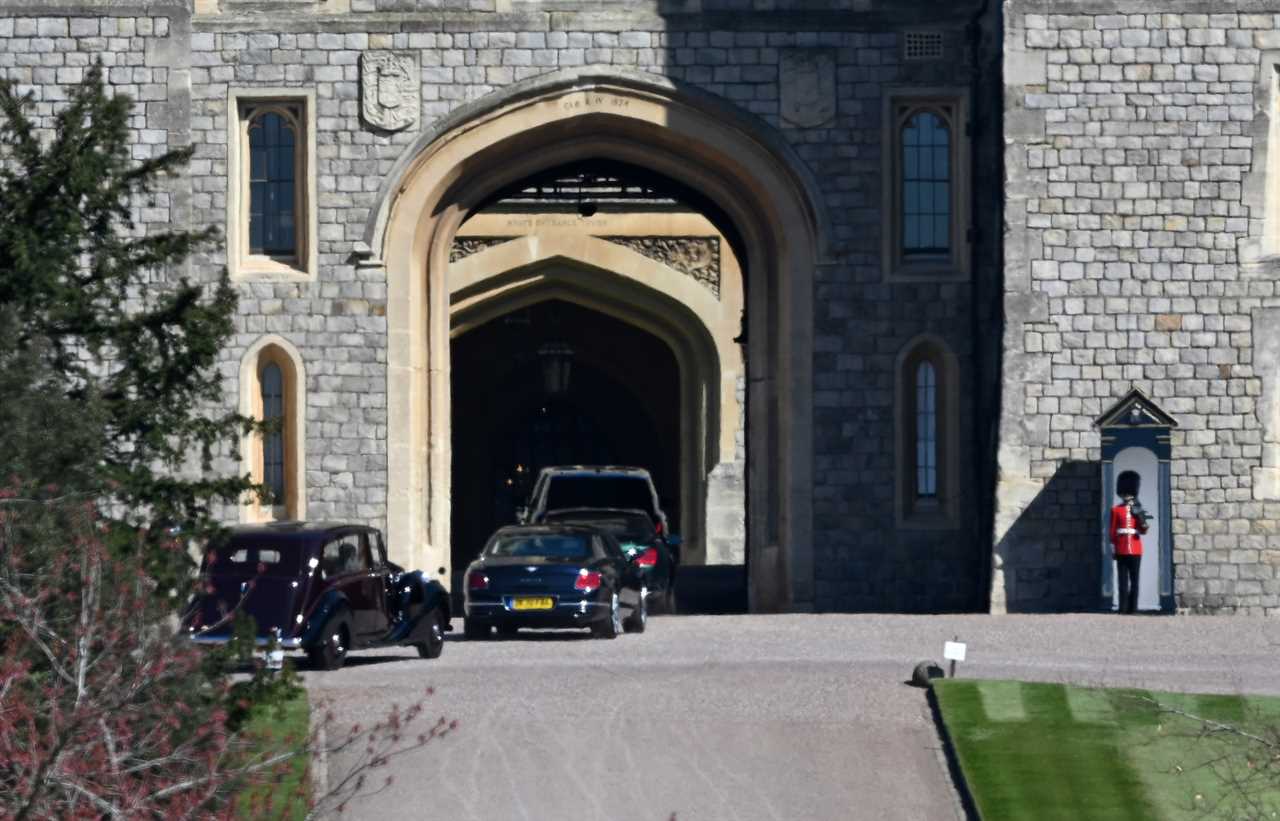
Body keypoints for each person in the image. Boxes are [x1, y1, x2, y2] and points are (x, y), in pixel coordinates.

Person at [1108, 470, 1149, 614]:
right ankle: (1123, 608)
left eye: (1129, 493)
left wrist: (1141, 518)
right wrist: (1113, 549)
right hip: (1121, 548)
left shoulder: (1138, 509)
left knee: (1135, 581)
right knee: (1122, 582)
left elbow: (1143, 530)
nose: (1127, 496)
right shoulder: (1115, 510)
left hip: (1136, 548)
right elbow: (1112, 532)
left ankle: (1133, 608)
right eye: (1126, 493)